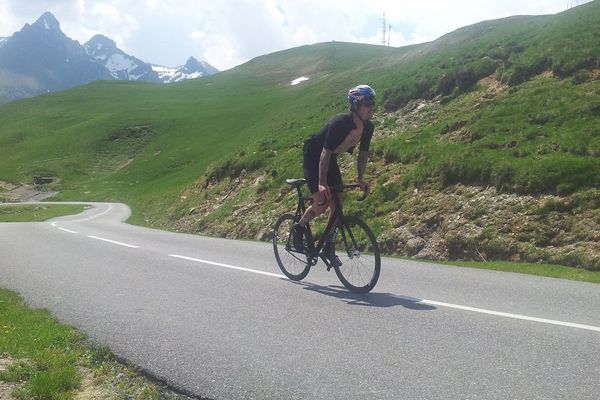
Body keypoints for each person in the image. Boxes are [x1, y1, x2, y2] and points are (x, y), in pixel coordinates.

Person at [293, 84, 376, 266]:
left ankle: (328, 247)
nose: (372, 108)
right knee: (322, 202)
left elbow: (363, 155)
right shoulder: (340, 123)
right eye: (368, 103)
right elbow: (324, 153)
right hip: (314, 156)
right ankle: (299, 228)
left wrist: (360, 179)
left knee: (339, 200)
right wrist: (322, 183)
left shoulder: (368, 128)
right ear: (356, 105)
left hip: (330, 159)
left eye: (373, 103)